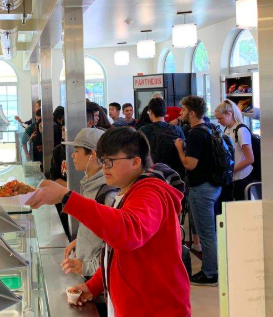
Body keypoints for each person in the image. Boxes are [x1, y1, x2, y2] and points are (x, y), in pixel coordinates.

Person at [26, 127, 191, 317]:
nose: (104, 167)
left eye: (110, 161)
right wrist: (93, 286)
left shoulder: (150, 193)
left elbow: (128, 232)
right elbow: (117, 253)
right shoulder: (126, 192)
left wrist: (66, 197)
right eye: (103, 160)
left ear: (136, 162)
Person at [174, 96, 220, 286]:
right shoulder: (210, 128)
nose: (180, 113)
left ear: (192, 113)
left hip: (201, 188)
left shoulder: (195, 134)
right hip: (213, 185)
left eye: (183, 110)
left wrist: (179, 148)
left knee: (206, 233)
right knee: (209, 232)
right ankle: (212, 269)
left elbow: (190, 164)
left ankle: (210, 273)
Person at [61, 128, 118, 280]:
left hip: (97, 282)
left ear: (92, 154)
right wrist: (81, 240)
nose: (72, 155)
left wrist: (87, 267)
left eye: (77, 150)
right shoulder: (89, 184)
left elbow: (115, 249)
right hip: (86, 274)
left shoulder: (108, 194)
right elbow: (96, 230)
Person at [215, 100, 254, 201]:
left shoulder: (241, 130)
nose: (218, 121)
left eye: (220, 118)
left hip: (242, 179)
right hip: (230, 179)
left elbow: (250, 159)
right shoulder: (226, 130)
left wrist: (230, 171)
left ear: (229, 114)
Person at [140, 98, 186, 177]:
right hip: (174, 173)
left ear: (150, 112)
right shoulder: (176, 129)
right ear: (165, 112)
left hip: (152, 172)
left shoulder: (144, 130)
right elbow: (184, 149)